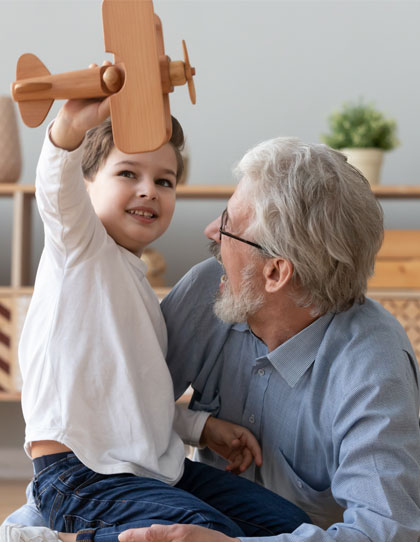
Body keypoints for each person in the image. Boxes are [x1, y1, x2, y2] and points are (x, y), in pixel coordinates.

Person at [3, 97, 309, 542]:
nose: (149, 190)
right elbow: (55, 187)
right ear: (86, 186)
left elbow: (136, 400)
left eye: (164, 181)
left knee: (291, 527)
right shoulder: (79, 248)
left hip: (155, 470)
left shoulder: (139, 287)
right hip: (82, 474)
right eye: (128, 173)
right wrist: (67, 130)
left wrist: (201, 427)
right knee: (202, 532)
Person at [119, 137, 420, 541]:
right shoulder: (209, 288)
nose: (211, 232)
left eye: (228, 225)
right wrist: (200, 427)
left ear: (276, 273)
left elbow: (388, 532)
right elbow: (116, 410)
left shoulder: (374, 367)